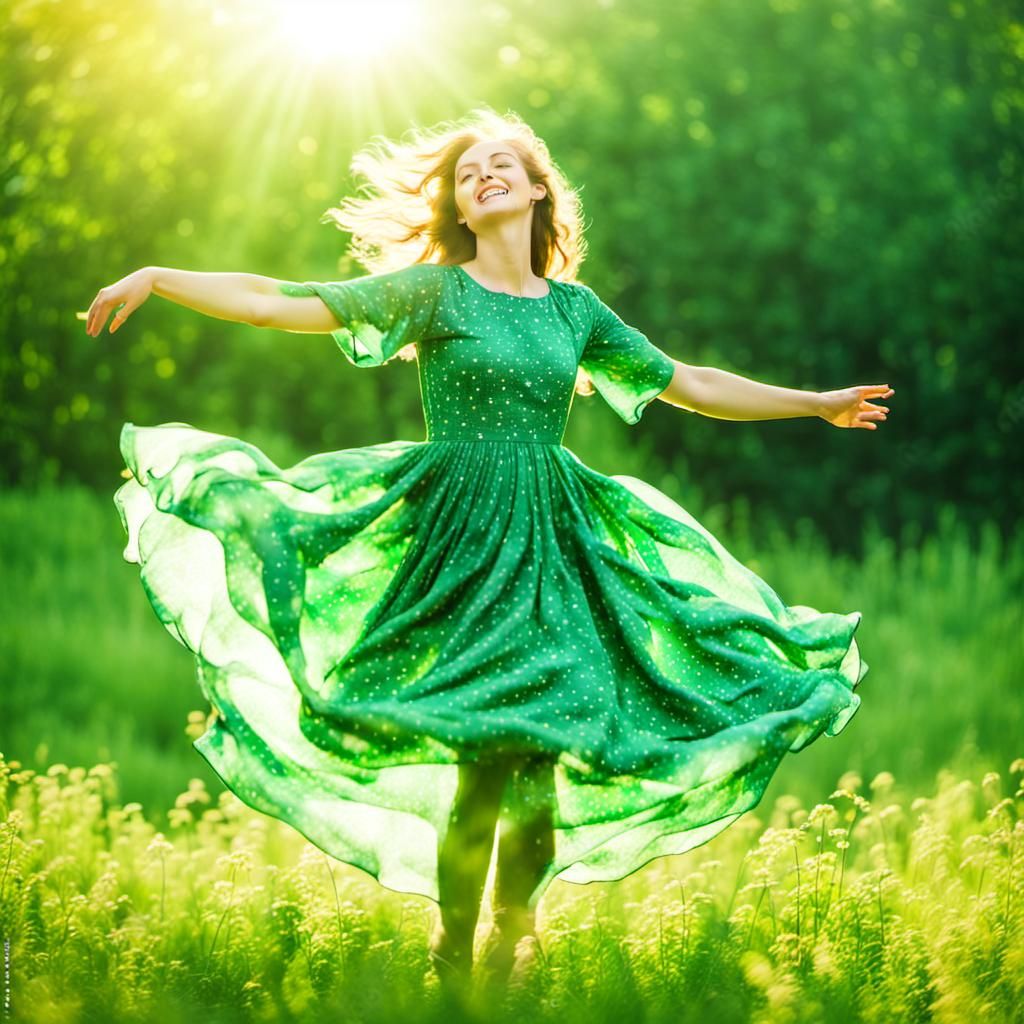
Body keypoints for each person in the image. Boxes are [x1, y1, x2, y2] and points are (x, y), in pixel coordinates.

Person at [88, 107, 892, 997]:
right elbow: (281, 303)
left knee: (547, 746)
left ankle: (512, 944)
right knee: (485, 754)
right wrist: (159, 276)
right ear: (463, 210)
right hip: (462, 548)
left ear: (539, 190)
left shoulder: (575, 313)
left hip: (556, 545)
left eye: (504, 163)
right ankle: (453, 955)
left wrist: (814, 401)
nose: (486, 175)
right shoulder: (436, 292)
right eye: (470, 174)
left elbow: (691, 385)